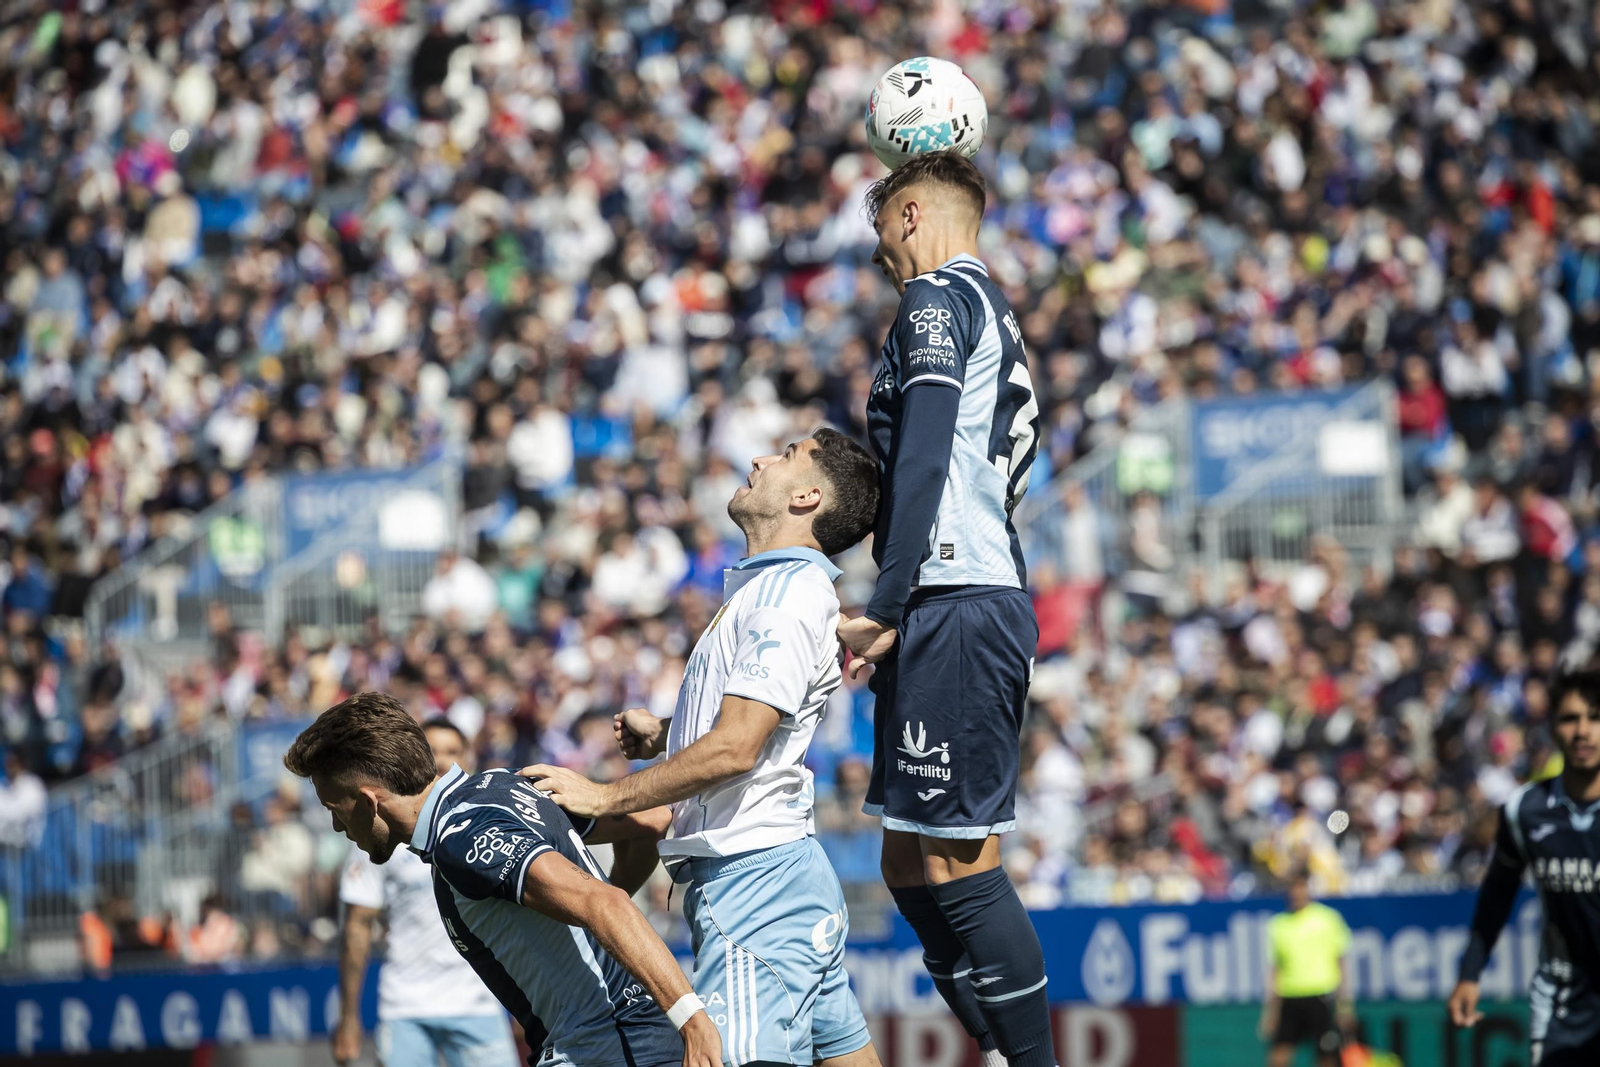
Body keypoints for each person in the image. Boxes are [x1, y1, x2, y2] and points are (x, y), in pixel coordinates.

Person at [522, 430, 883, 1067]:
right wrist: (668, 730)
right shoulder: (766, 591)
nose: (759, 460)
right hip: (780, 877)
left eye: (788, 453)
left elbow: (736, 749)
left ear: (806, 496)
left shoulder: (784, 598)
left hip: (753, 885)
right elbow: (752, 731)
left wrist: (600, 793)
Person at [836, 150, 1049, 1067]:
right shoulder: (991, 308)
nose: (878, 247)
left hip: (952, 595)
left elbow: (922, 460)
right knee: (904, 859)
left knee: (962, 860)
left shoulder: (935, 302)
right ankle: (999, 1050)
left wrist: (886, 602)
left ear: (913, 213)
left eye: (882, 223)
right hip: (957, 593)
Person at [283, 694, 722, 1067]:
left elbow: (604, 904)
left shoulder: (462, 838)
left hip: (610, 1048)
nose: (338, 828)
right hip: (626, 1041)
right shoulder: (502, 783)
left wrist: (692, 1021)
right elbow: (647, 822)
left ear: (367, 801)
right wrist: (599, 925)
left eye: (333, 808)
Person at [332, 718, 518, 1067]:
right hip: (406, 1006)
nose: (444, 761)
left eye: (453, 751)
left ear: (469, 758)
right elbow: (357, 926)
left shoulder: (488, 823)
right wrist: (348, 1017)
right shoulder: (378, 829)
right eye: (433, 751)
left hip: (478, 1002)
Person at [1450, 672, 1600, 1066]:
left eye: (1595, 717)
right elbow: (1497, 894)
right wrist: (1470, 971)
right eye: (1570, 719)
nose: (1583, 731)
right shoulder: (1525, 810)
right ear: (1552, 726)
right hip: (1564, 1003)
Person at [1259, 871, 1352, 1067]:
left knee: (1326, 1056)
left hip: (1320, 996)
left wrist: (1344, 1005)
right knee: (1278, 1058)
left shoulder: (1329, 919)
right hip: (1290, 997)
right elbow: (1275, 970)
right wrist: (1270, 1011)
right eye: (1293, 887)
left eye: (1301, 886)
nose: (1297, 892)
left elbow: (1341, 963)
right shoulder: (1278, 924)